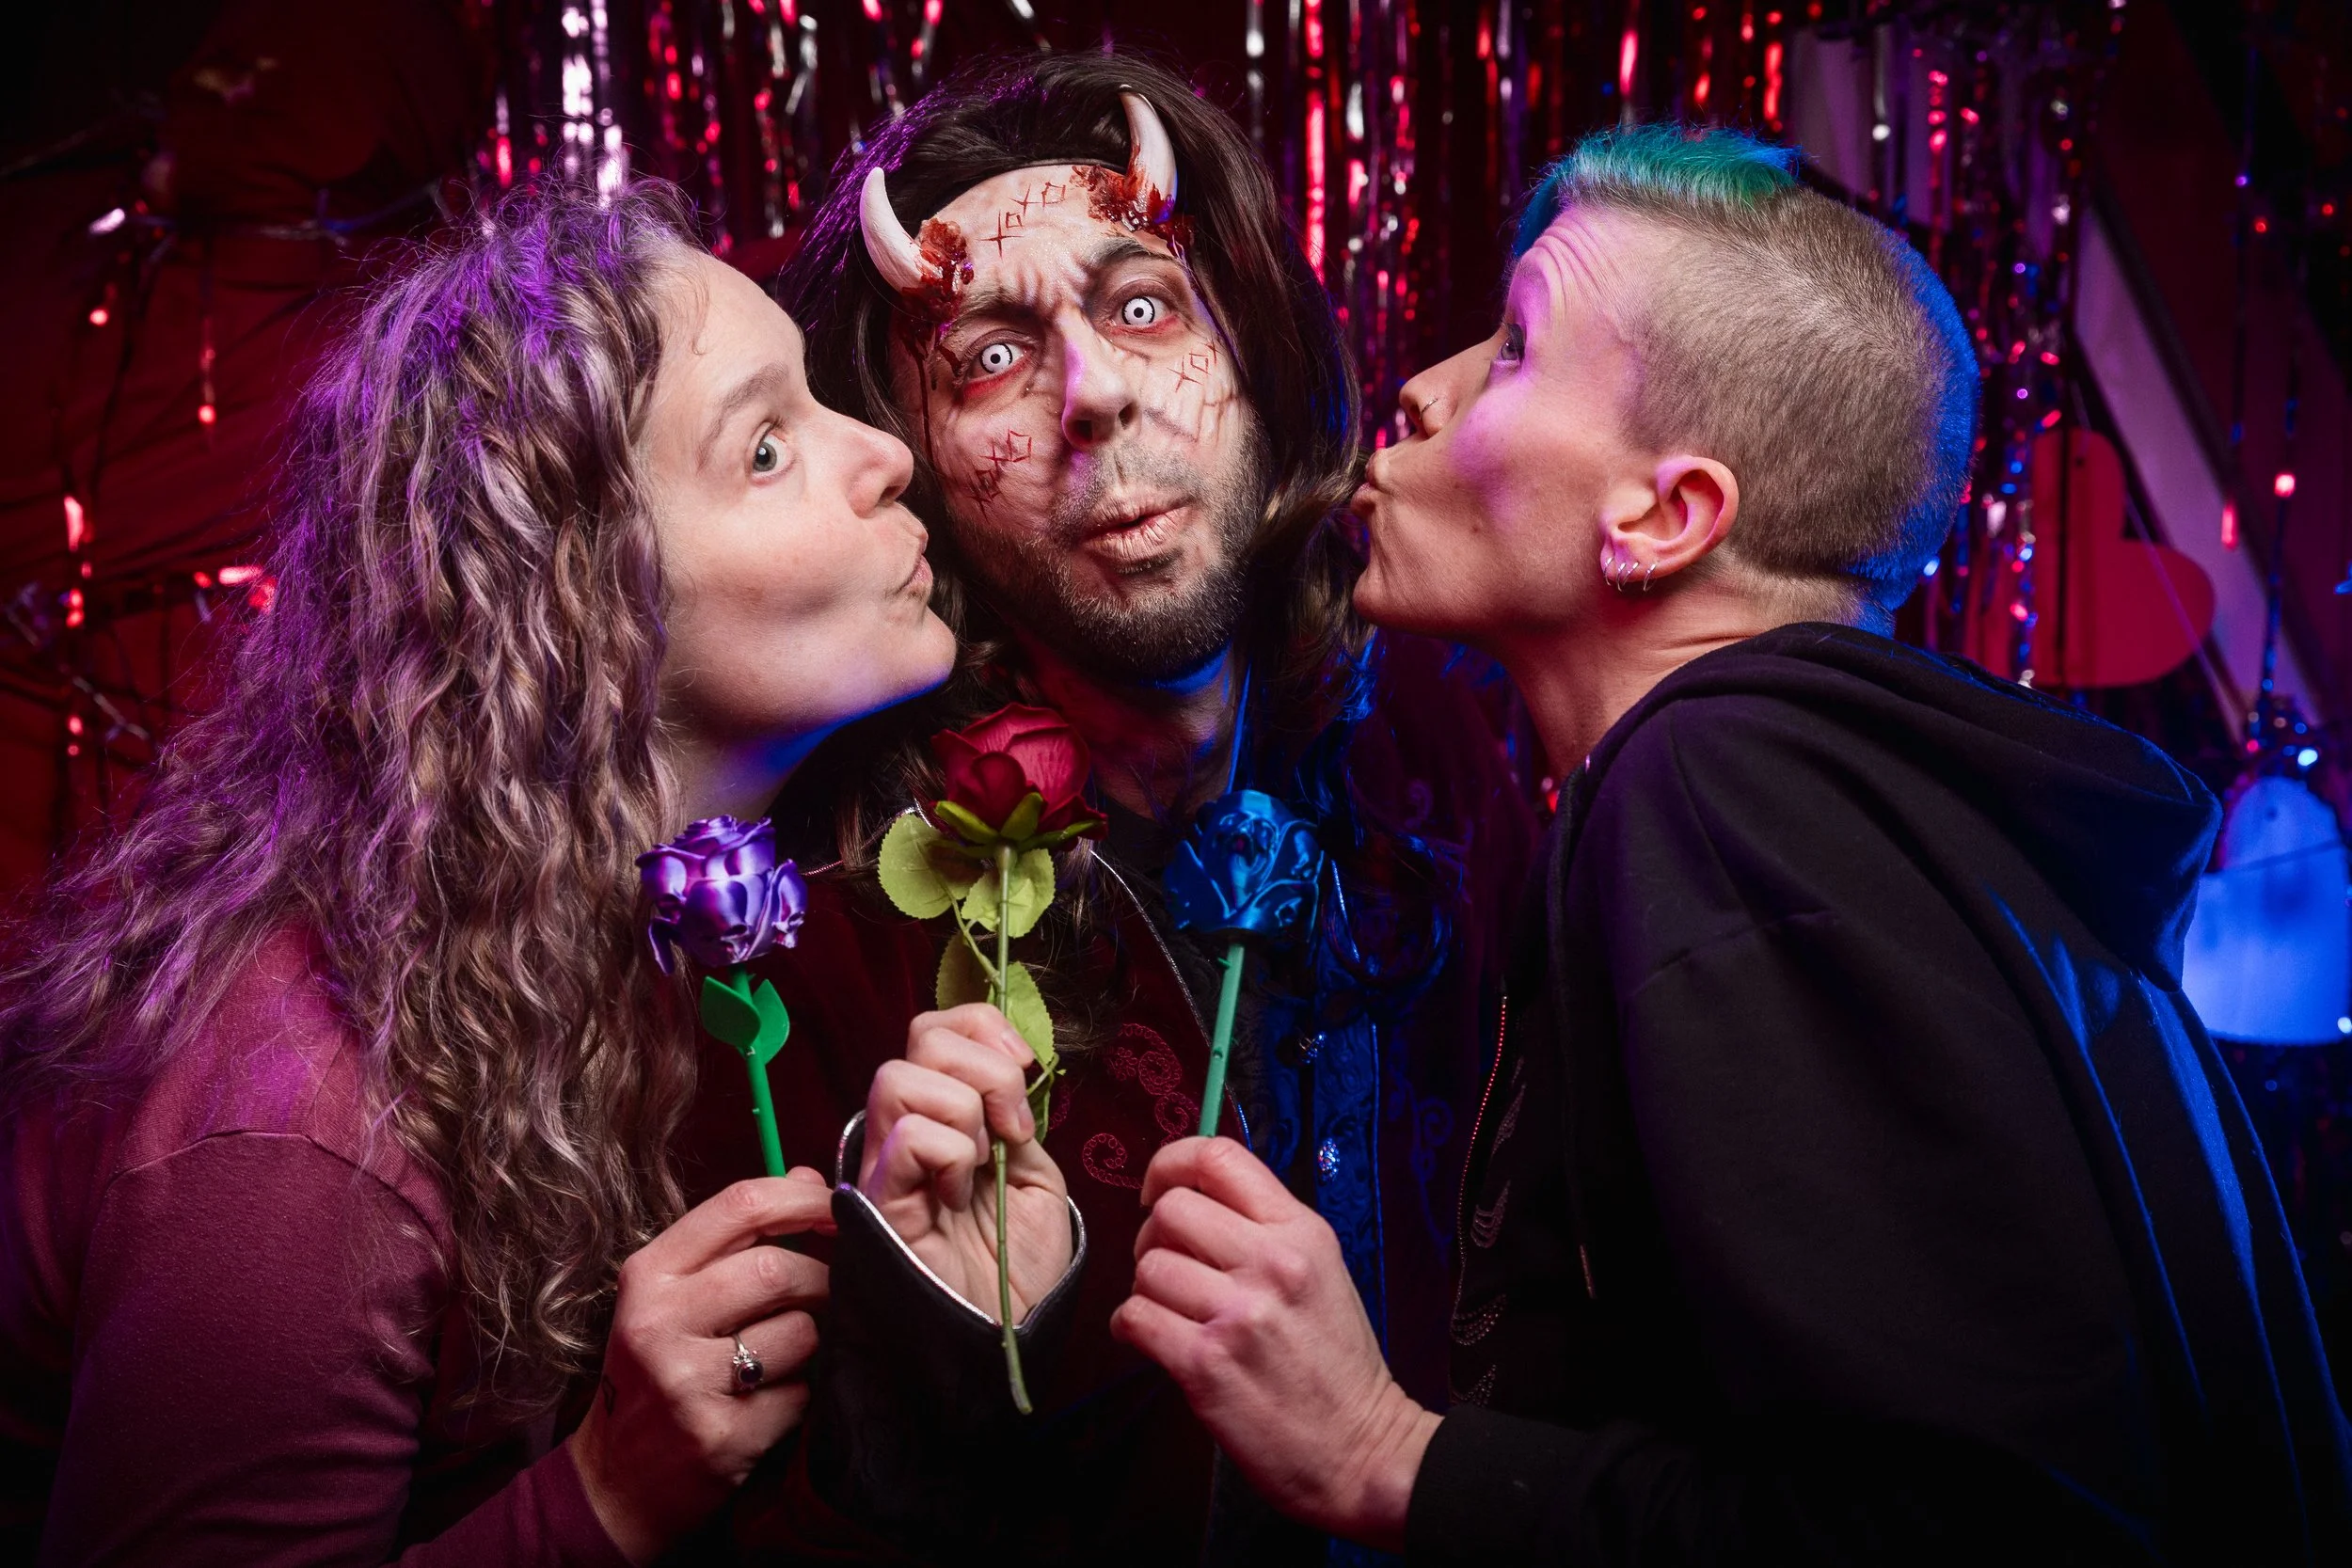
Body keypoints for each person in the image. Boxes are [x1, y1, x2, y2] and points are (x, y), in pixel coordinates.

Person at [1104, 125, 2352, 1562]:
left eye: (1513, 345)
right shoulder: (1893, 825)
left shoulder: (1720, 785)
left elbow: (1970, 1529)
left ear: (1666, 513)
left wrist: (1388, 1453)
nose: (1424, 390)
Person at [0, 181, 959, 1564]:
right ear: (582, 609)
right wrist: (611, 1493)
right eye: (765, 449)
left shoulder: (625, 916)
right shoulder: (301, 1133)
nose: (885, 453)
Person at [724, 51, 1537, 1565]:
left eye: (1143, 306)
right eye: (986, 356)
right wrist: (937, 1332)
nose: (1092, 395)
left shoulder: (1435, 730)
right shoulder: (833, 922)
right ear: (918, 477)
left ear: (1252, 340)